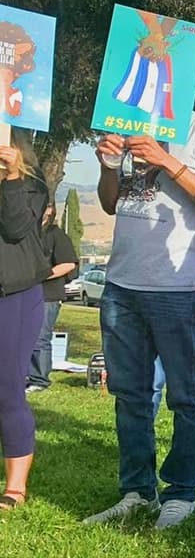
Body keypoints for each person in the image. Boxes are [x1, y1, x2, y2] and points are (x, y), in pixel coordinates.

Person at [83, 112, 195, 529]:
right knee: (130, 395)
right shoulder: (128, 123)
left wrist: (167, 161)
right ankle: (137, 491)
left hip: (180, 288)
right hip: (122, 283)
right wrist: (107, 167)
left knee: (187, 397)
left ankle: (181, 492)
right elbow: (110, 203)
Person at [0, 135, 50, 510]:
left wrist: (11, 177)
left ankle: (15, 487)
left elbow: (16, 228)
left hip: (13, 295)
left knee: (7, 389)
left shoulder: (31, 186)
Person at [26, 202, 78, 393]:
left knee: (40, 337)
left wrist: (39, 276)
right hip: (22, 292)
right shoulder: (24, 233)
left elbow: (68, 264)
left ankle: (39, 380)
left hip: (48, 294)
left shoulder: (56, 234)